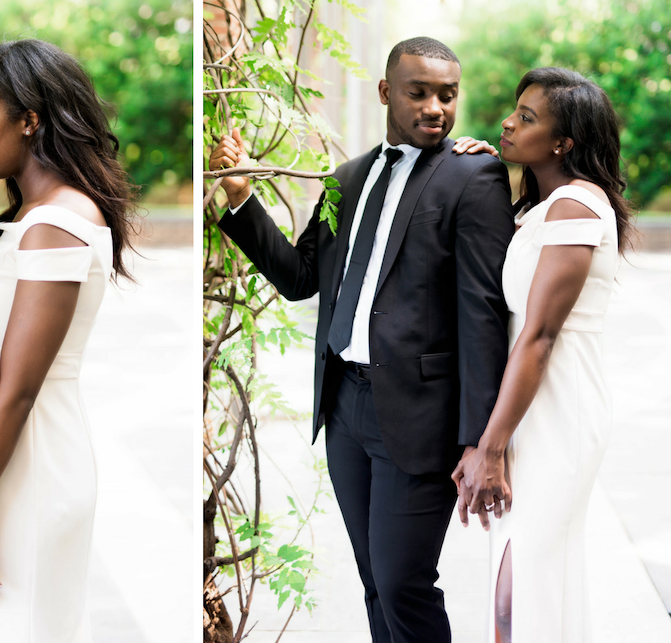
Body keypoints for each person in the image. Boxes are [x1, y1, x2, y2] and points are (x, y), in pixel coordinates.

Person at [209, 37, 515, 643]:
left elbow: (483, 314)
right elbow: (300, 279)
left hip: (421, 415)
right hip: (345, 407)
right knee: (375, 580)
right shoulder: (346, 178)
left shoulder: (474, 175)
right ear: (385, 93)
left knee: (405, 582)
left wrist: (481, 441)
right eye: (419, 92)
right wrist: (242, 198)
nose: (436, 107)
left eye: (448, 95)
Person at [0, 39, 137, 643]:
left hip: (30, 466)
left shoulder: (59, 225)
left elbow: (18, 389)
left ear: (30, 119)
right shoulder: (34, 217)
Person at [450, 68, 630, 643]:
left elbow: (540, 336)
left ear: (563, 143)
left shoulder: (577, 207)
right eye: (513, 110)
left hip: (560, 411)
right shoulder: (539, 207)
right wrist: (483, 173)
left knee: (521, 579)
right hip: (526, 407)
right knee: (522, 578)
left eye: (527, 118)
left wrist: (489, 448)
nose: (507, 121)